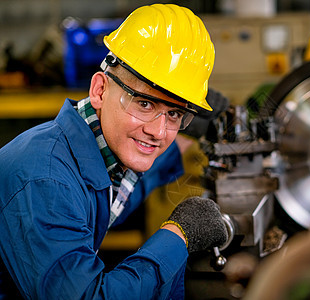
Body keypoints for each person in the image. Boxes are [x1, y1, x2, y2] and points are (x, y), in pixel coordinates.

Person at [0, 4, 228, 299]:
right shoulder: (46, 182)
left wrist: (189, 136)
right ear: (100, 90)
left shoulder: (97, 151)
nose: (159, 131)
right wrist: (179, 235)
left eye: (174, 114)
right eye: (144, 104)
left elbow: (128, 181)